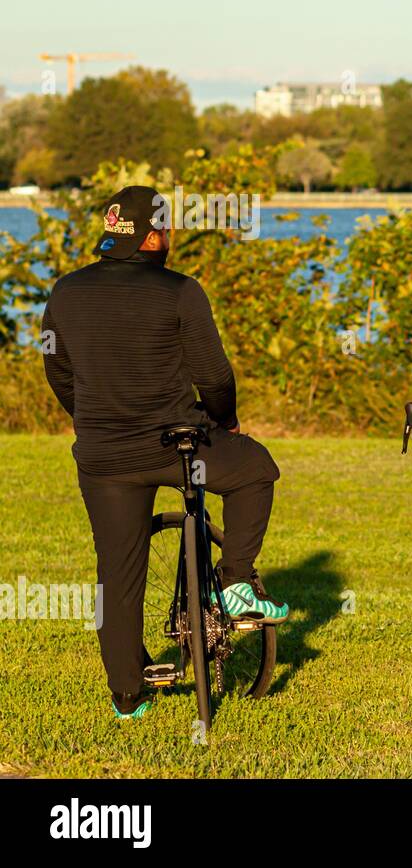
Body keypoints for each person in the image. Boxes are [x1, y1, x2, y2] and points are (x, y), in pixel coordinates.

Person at [41, 185, 288, 720]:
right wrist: (225, 419)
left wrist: (89, 417)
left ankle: (128, 695)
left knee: (117, 572)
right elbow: (214, 375)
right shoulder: (179, 290)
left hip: (104, 455)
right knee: (256, 469)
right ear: (155, 235)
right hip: (178, 447)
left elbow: (56, 367)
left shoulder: (66, 291)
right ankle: (237, 582)